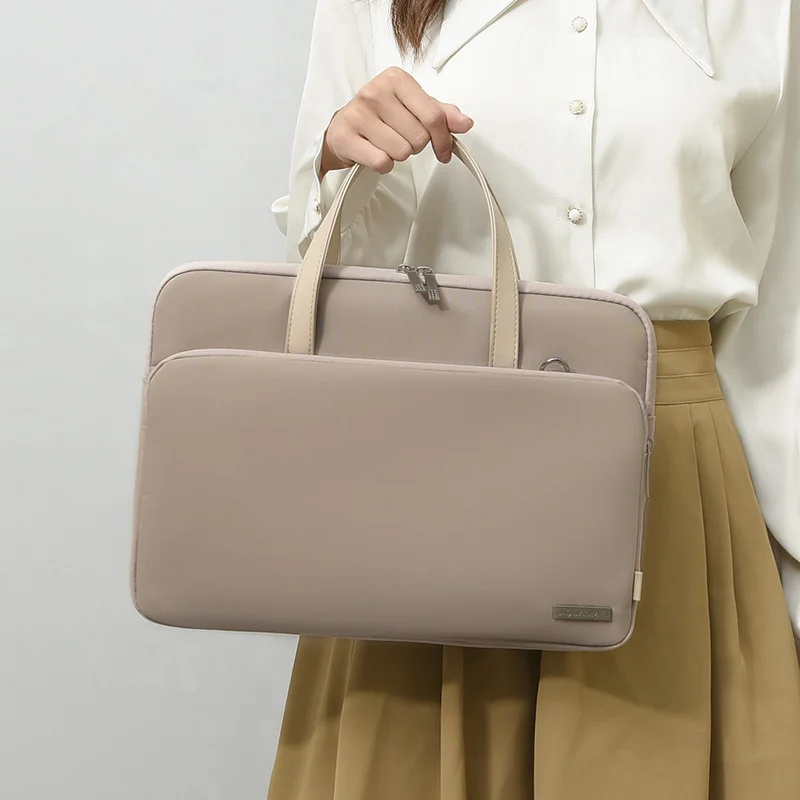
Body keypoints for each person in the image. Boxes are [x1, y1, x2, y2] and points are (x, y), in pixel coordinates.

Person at [269, 1, 800, 797]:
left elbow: (783, 325)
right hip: (437, 487)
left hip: (675, 502)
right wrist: (341, 164)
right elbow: (331, 285)